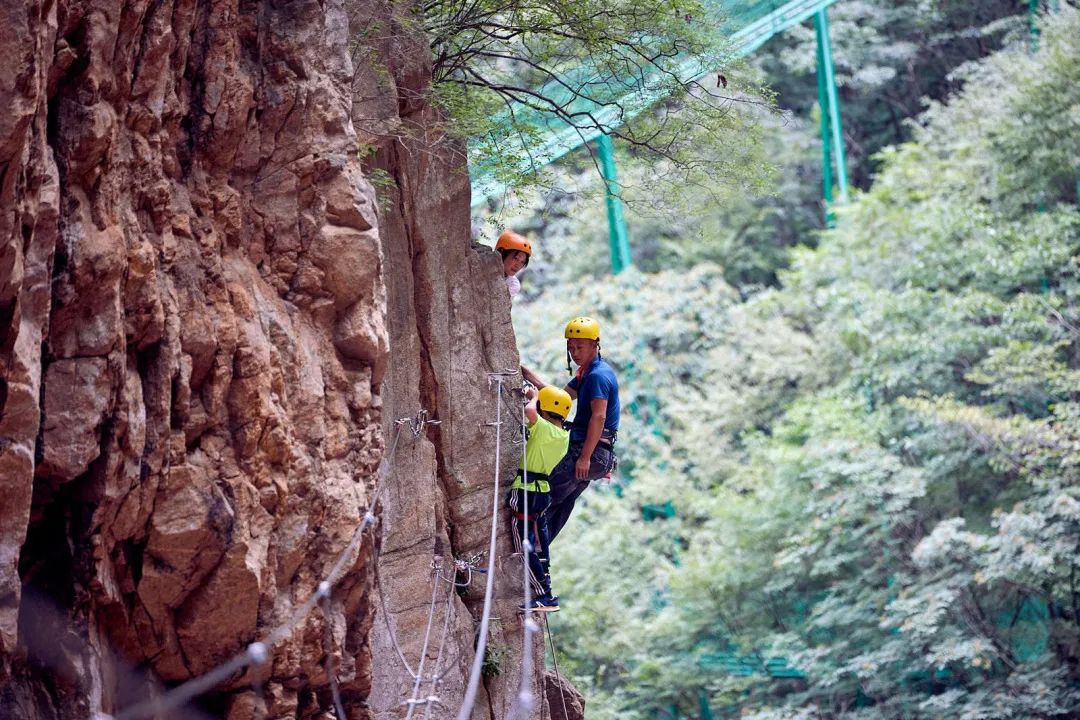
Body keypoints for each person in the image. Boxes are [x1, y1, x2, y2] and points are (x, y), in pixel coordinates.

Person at [521, 316, 620, 542]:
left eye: (580, 347)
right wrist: (527, 375)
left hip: (588, 452)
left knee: (541, 494)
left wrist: (585, 458)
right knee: (560, 504)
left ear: (595, 345)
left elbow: (599, 417)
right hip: (597, 454)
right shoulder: (586, 373)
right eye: (571, 347)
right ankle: (538, 558)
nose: (575, 353)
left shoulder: (597, 376)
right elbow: (561, 398)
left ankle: (529, 550)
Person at [507, 384, 572, 612]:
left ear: (545, 409)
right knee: (539, 542)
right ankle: (547, 586)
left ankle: (545, 594)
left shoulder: (542, 427)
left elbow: (530, 413)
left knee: (523, 542)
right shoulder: (564, 436)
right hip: (543, 491)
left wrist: (534, 397)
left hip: (525, 489)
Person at [495, 230, 531, 298]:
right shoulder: (481, 266)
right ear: (501, 253)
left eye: (522, 262)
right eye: (516, 258)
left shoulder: (512, 285)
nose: (518, 265)